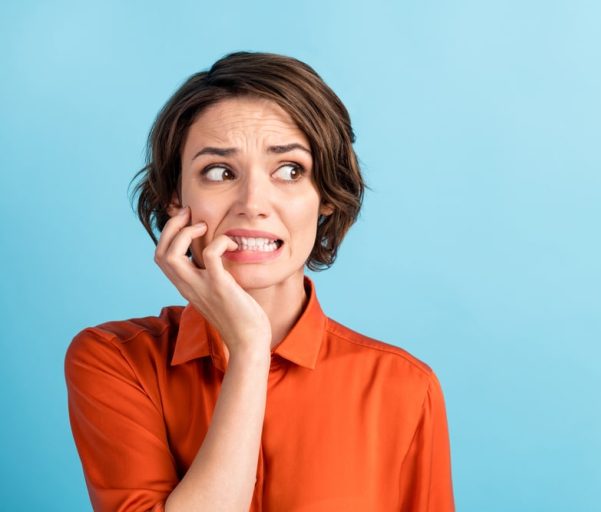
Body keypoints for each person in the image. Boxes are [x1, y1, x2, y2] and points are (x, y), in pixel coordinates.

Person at [64, 51, 455, 511]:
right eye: (219, 172)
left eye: (290, 171)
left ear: (326, 195)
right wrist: (249, 349)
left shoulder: (403, 387)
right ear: (175, 199)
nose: (254, 203)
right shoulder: (116, 360)